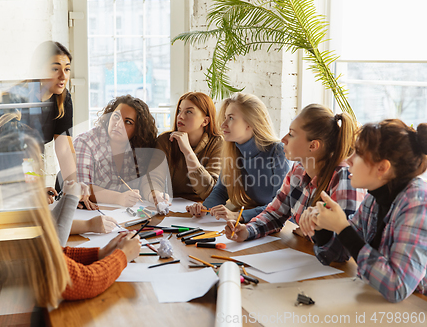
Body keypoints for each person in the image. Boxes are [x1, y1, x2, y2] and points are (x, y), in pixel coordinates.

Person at [0, 131, 141, 327]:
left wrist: (99, 253)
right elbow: (85, 281)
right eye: (34, 170)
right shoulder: (11, 221)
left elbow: (45, 253)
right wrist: (123, 255)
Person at [0, 41, 96, 210]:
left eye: (67, 69)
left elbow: (64, 148)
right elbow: (17, 154)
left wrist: (73, 188)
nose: (63, 76)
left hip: (3, 163)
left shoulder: (63, 99)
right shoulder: (15, 99)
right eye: (55, 69)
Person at [299, 119, 427, 303]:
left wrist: (343, 228)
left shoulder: (418, 203)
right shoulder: (374, 197)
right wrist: (322, 226)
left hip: (416, 306)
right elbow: (339, 253)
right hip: (380, 301)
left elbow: (396, 286)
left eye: (357, 153)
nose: (349, 159)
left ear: (382, 168)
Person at [225, 104, 366, 262]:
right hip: (306, 258)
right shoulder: (298, 170)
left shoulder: (345, 179)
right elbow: (275, 213)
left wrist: (311, 233)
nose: (283, 139)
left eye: (291, 134)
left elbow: (343, 249)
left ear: (313, 145)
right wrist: (247, 230)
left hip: (334, 272)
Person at [187, 93, 290, 222]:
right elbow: (220, 190)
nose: (223, 124)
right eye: (225, 118)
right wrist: (204, 209)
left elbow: (280, 206)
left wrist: (238, 216)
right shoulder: (233, 151)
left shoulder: (278, 151)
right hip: (257, 222)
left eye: (230, 118)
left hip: (282, 225)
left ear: (251, 123)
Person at [73, 95, 158, 207]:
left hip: (125, 216)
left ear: (137, 130)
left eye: (128, 122)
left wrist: (155, 195)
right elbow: (83, 188)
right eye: (116, 117)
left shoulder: (140, 149)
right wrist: (119, 198)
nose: (118, 124)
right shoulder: (86, 142)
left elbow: (145, 183)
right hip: (88, 215)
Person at [140, 92, 223, 203]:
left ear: (205, 121)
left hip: (202, 209)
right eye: (179, 110)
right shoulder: (165, 140)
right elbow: (152, 179)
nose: (180, 116)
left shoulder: (218, 143)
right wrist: (155, 195)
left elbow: (211, 192)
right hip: (171, 208)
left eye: (189, 111)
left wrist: (188, 151)